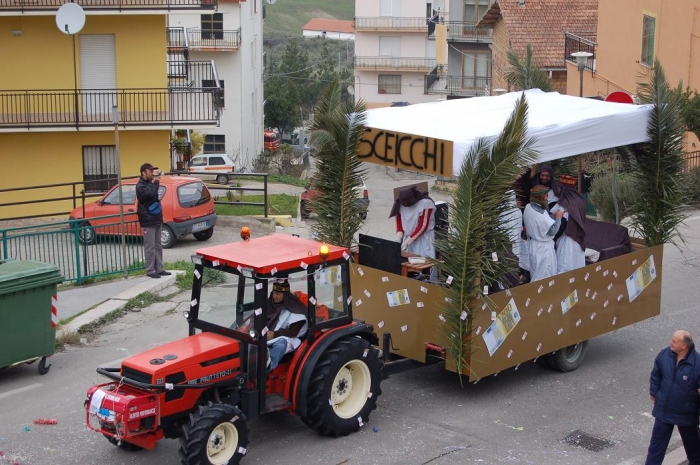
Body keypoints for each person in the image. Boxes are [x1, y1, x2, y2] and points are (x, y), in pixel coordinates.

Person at [645, 330, 700, 465]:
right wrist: (654, 393)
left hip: (686, 415)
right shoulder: (665, 355)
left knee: (694, 449)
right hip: (664, 411)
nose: (671, 342)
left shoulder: (697, 364)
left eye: (674, 341)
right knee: (656, 449)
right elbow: (656, 375)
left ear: (684, 346)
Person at [135, 163, 171, 279]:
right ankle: (150, 270)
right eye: (150, 171)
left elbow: (155, 197)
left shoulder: (151, 184)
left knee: (158, 245)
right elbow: (150, 194)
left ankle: (159, 268)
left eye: (153, 171)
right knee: (149, 247)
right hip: (147, 220)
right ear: (143, 173)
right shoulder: (140, 186)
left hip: (156, 218)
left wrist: (161, 217)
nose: (152, 173)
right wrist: (156, 181)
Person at [522, 185, 563, 282]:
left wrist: (551, 217)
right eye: (546, 196)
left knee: (535, 273)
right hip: (543, 249)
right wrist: (558, 218)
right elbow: (552, 230)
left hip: (534, 246)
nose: (547, 198)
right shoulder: (540, 214)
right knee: (544, 278)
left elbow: (540, 225)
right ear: (541, 197)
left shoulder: (528, 207)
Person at [266, 280, 308, 371]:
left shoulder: (297, 309)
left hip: (288, 337)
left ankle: (269, 366)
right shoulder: (270, 303)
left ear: (285, 295)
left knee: (280, 344)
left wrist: (274, 334)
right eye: (273, 293)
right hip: (268, 334)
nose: (274, 297)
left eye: (278, 294)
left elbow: (293, 332)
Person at [389, 186, 436, 258]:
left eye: (408, 204)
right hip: (407, 238)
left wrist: (408, 241)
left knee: (425, 261)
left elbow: (423, 226)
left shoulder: (426, 203)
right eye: (404, 204)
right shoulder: (400, 203)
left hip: (423, 239)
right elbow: (399, 220)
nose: (406, 205)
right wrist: (399, 237)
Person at [550, 182, 587, 273]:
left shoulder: (564, 202)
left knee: (565, 266)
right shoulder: (580, 200)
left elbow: (559, 220)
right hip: (578, 239)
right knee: (577, 266)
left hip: (566, 238)